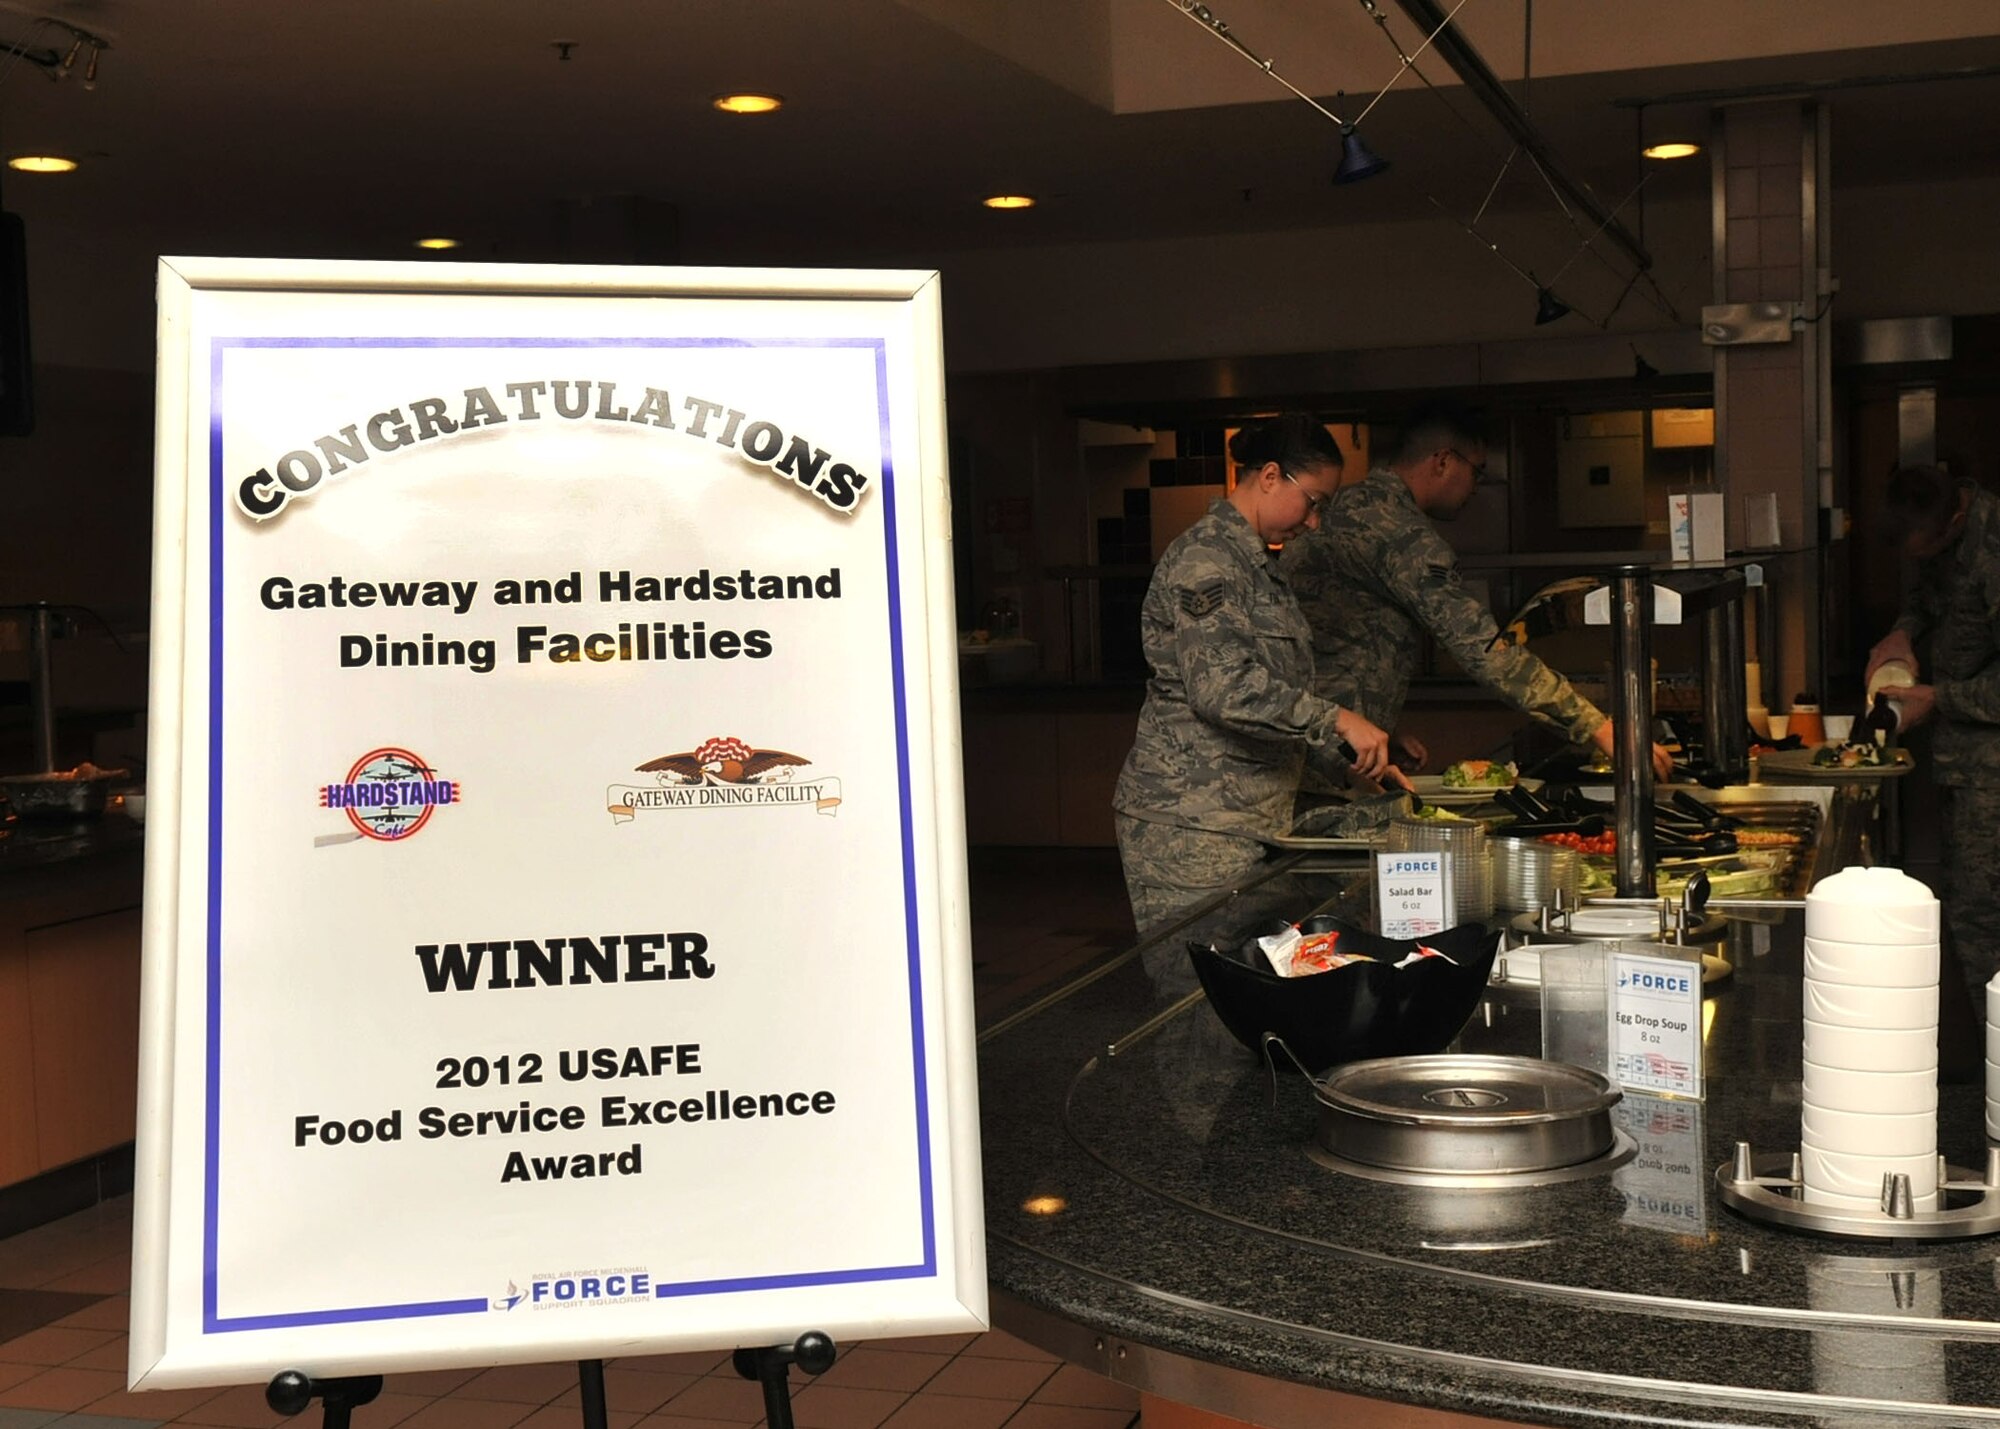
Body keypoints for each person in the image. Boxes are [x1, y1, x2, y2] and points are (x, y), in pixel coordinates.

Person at [1113, 414, 1403, 936]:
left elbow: (1274, 696)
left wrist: (1345, 764)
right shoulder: (1208, 561)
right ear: (1270, 476)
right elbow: (1223, 688)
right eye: (1313, 501)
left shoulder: (1258, 566)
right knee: (1197, 999)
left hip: (1246, 820)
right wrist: (1336, 720)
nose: (1314, 521)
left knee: (1245, 991)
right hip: (1191, 825)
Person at [1280, 401, 1673, 784]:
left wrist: (1381, 722)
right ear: (1443, 461)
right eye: (1477, 471)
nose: (1475, 487)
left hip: (1303, 734)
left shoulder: (1341, 507)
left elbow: (1334, 640)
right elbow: (1484, 650)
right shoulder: (1403, 535)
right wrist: (1597, 727)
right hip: (1325, 753)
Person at [1864, 462, 2000, 1000]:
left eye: (1922, 549)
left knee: (1984, 926)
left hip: (1993, 772)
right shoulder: (1944, 535)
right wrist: (1903, 632)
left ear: (1955, 519)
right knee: (1969, 916)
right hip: (1965, 767)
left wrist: (1936, 698)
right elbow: (1927, 598)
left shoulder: (1994, 552)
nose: (1917, 560)